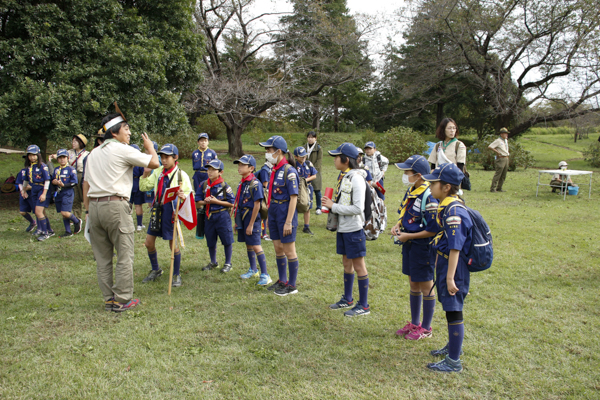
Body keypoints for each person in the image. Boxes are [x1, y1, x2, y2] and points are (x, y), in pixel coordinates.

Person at [84, 112, 159, 312]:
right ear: (115, 132)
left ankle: (109, 299)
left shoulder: (93, 153)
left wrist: (87, 210)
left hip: (95, 207)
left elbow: (85, 184)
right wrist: (149, 146)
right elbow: (154, 163)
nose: (130, 132)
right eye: (126, 129)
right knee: (125, 254)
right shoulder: (121, 149)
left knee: (103, 258)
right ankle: (123, 300)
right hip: (115, 206)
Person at [422, 163, 472, 373]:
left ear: (446, 187)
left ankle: (454, 361)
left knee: (454, 310)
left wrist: (450, 278)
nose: (430, 186)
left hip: (455, 268)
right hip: (446, 264)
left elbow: (455, 247)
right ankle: (453, 347)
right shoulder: (448, 205)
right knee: (450, 308)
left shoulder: (453, 211)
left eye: (433, 183)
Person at [391, 155, 439, 340]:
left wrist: (408, 235)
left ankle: (426, 328)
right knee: (413, 283)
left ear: (418, 175)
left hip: (423, 247)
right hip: (409, 244)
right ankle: (414, 322)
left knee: (426, 285)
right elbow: (407, 214)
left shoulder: (429, 196)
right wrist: (398, 225)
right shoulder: (412, 190)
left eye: (407, 172)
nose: (404, 175)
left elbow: (432, 230)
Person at [323, 143, 370, 317]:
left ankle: (364, 305)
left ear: (346, 159)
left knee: (359, 266)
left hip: (354, 229)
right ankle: (348, 299)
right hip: (343, 228)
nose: (335, 160)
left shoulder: (356, 178)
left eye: (337, 157)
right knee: (346, 264)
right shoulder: (345, 176)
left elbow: (358, 208)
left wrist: (333, 206)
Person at [139, 144, 192, 287]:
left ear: (175, 158)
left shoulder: (181, 175)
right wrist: (145, 173)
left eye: (167, 157)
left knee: (173, 244)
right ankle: (156, 269)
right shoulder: (158, 172)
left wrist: (182, 195)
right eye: (161, 157)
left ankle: (176, 274)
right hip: (158, 211)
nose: (163, 160)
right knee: (149, 243)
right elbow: (144, 187)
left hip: (171, 212)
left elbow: (188, 196)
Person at [259, 135, 301, 296]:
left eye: (269, 150)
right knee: (278, 248)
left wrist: (289, 222)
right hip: (275, 212)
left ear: (279, 151)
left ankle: (292, 284)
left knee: (289, 250)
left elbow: (293, 198)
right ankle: (282, 280)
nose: (267, 153)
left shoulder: (289, 171)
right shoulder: (274, 170)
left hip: (285, 213)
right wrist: (269, 216)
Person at [232, 155, 271, 285]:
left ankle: (265, 274)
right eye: (239, 165)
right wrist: (238, 222)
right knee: (248, 244)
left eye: (243, 165)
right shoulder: (242, 183)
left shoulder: (255, 184)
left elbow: (257, 205)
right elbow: (239, 203)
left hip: (252, 219)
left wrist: (250, 224)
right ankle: (253, 270)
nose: (239, 167)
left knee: (256, 245)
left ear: (251, 168)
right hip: (243, 217)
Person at [196, 159, 235, 273]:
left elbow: (232, 203)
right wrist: (206, 201)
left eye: (213, 170)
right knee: (210, 240)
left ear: (220, 172)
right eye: (209, 169)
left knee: (227, 240)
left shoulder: (224, 186)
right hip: (209, 216)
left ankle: (228, 263)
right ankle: (213, 262)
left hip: (222, 216)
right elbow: (197, 201)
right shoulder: (203, 185)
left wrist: (216, 201)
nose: (210, 172)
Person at [23, 145, 54, 241]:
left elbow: (47, 181)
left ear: (38, 155)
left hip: (42, 189)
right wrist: (23, 190)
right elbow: (26, 180)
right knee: (41, 212)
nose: (32, 157)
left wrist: (44, 193)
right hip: (34, 189)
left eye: (34, 155)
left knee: (38, 212)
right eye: (30, 155)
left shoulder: (43, 166)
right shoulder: (29, 167)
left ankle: (45, 233)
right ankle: (49, 230)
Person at [49, 149, 82, 238]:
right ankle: (68, 231)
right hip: (59, 193)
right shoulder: (56, 169)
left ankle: (76, 221)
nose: (62, 159)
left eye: (64, 157)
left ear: (67, 158)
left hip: (68, 192)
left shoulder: (71, 169)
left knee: (65, 212)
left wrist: (64, 185)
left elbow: (74, 182)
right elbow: (52, 180)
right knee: (63, 213)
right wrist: (54, 182)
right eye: (60, 158)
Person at [293, 146, 318, 235]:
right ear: (296, 157)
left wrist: (304, 180)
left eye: (305, 156)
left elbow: (314, 175)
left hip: (307, 188)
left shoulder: (308, 163)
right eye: (301, 156)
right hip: (297, 188)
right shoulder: (294, 165)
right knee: (294, 206)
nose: (304, 158)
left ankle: (306, 226)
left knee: (308, 206)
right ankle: (293, 225)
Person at [67, 134, 89, 219]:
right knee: (75, 197)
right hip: (72, 176)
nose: (73, 143)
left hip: (82, 175)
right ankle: (77, 218)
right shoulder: (69, 153)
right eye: (72, 141)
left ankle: (89, 215)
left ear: (81, 142)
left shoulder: (86, 154)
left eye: (75, 141)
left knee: (84, 195)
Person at [191, 132, 218, 197]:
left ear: (208, 142)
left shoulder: (212, 153)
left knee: (208, 190)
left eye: (205, 141)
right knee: (197, 190)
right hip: (197, 174)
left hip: (207, 174)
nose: (203, 143)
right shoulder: (195, 153)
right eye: (201, 141)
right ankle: (199, 205)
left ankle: (207, 205)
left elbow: (216, 165)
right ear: (198, 142)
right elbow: (194, 163)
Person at [304, 131, 323, 214]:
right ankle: (306, 205)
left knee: (317, 190)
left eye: (312, 137)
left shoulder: (318, 148)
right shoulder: (304, 147)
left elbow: (319, 161)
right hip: (305, 171)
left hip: (315, 172)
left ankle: (319, 207)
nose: (310, 139)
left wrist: (313, 170)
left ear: (315, 138)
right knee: (305, 189)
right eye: (309, 137)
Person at [129, 144, 146, 231]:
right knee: (138, 205)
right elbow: (143, 173)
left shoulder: (126, 161)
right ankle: (139, 225)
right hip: (137, 183)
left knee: (128, 205)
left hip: (128, 184)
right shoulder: (139, 162)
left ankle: (128, 223)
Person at [16, 161, 36, 233]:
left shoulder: (38, 170)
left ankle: (41, 227)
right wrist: (22, 191)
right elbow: (19, 182)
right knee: (22, 212)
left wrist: (32, 187)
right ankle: (33, 222)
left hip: (34, 193)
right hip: (24, 193)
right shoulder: (23, 171)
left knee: (37, 212)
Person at [488, 127, 510, 193]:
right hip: (501, 158)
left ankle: (499, 187)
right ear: (501, 134)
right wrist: (497, 152)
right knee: (498, 173)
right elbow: (490, 146)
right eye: (505, 134)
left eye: (507, 134)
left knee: (504, 174)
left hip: (506, 158)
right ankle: (493, 188)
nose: (506, 135)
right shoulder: (498, 141)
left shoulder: (505, 141)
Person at [257, 158, 272, 240]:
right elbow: (265, 184)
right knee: (264, 211)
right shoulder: (265, 170)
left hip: (267, 193)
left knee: (265, 213)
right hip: (264, 193)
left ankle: (264, 232)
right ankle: (263, 233)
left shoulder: (270, 169)